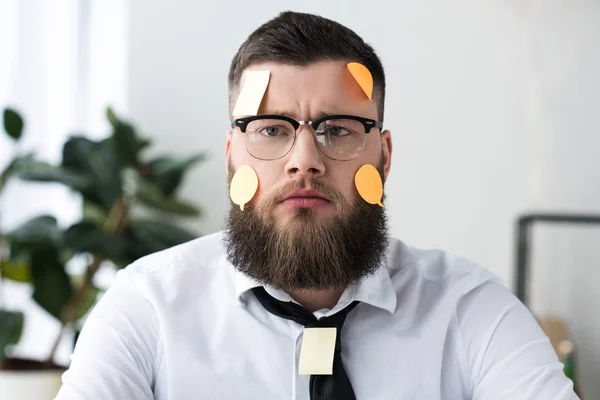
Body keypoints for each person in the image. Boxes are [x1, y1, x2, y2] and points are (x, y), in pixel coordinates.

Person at [55, 11, 579, 400]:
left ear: (385, 155)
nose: (304, 161)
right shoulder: (147, 306)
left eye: (339, 130)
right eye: (270, 129)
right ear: (232, 156)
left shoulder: (469, 308)